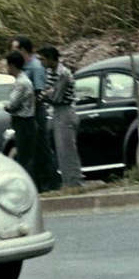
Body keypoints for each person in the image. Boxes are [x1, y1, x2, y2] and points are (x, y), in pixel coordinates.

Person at [11, 36, 61, 192]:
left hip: (36, 113)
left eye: (15, 50)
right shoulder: (25, 68)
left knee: (43, 147)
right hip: (28, 114)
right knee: (33, 150)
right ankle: (39, 183)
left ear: (23, 50)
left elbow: (39, 92)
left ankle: (52, 182)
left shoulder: (35, 67)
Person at [38, 45, 84, 188]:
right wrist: (48, 93)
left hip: (65, 112)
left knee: (68, 151)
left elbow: (56, 97)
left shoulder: (64, 73)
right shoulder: (51, 73)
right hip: (57, 113)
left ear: (51, 58)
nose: (41, 63)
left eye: (43, 59)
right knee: (61, 151)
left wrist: (47, 94)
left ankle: (74, 182)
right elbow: (46, 93)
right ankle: (67, 181)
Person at [4, 51, 38, 183]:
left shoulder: (21, 83)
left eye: (7, 65)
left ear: (12, 66)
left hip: (23, 122)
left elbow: (11, 104)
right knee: (26, 156)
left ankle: (29, 185)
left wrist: (5, 106)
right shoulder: (23, 81)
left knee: (25, 157)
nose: (6, 69)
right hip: (26, 123)